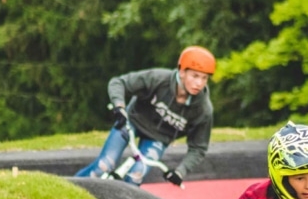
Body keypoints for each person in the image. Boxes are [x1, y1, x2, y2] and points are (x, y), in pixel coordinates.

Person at [75, 46, 215, 186]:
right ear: (182, 71)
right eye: (195, 76)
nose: (199, 83)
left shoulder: (203, 109)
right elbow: (119, 82)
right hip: (131, 122)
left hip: (158, 138)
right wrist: (120, 107)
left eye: (204, 78)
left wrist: (180, 171)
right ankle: (68, 189)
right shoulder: (158, 79)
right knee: (103, 166)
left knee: (135, 177)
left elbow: (198, 148)